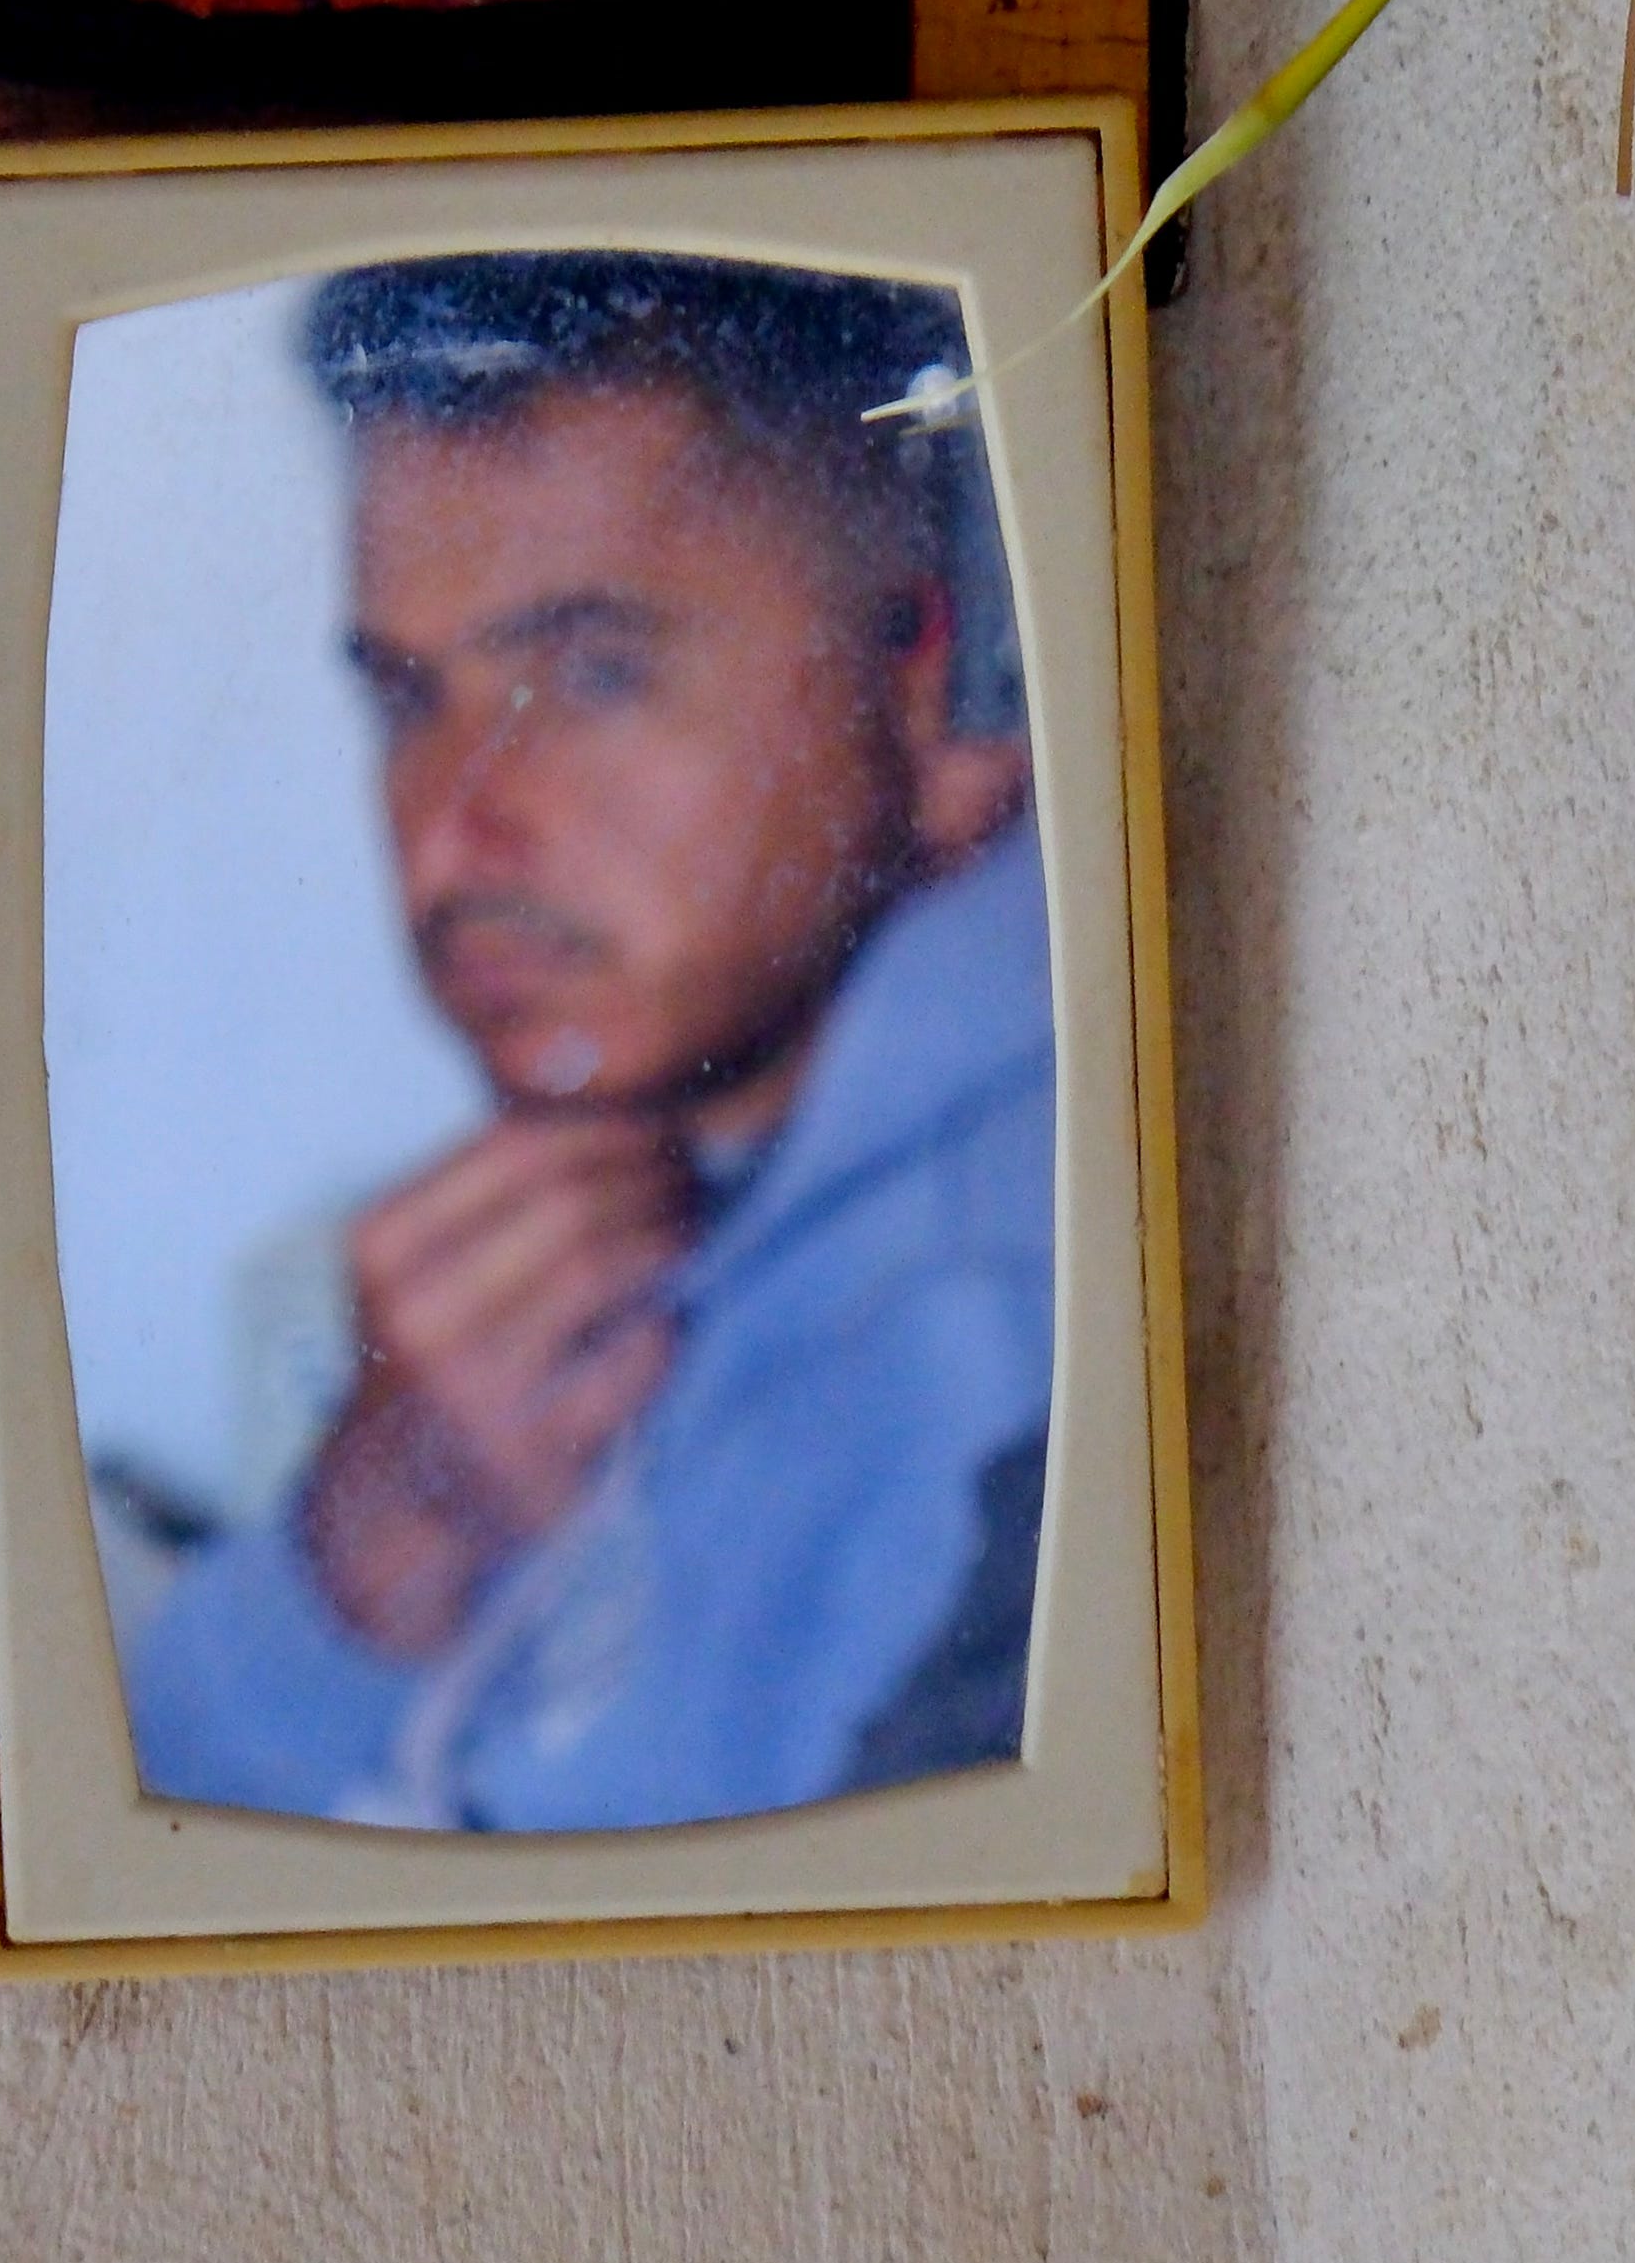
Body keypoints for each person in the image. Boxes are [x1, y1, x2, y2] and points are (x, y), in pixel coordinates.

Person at [118, 251, 1054, 1833]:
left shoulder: (1005, 1354)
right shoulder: (713, 1172)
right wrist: (369, 1555)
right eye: (409, 698)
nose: (449, 835)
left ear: (946, 699)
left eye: (593, 674)